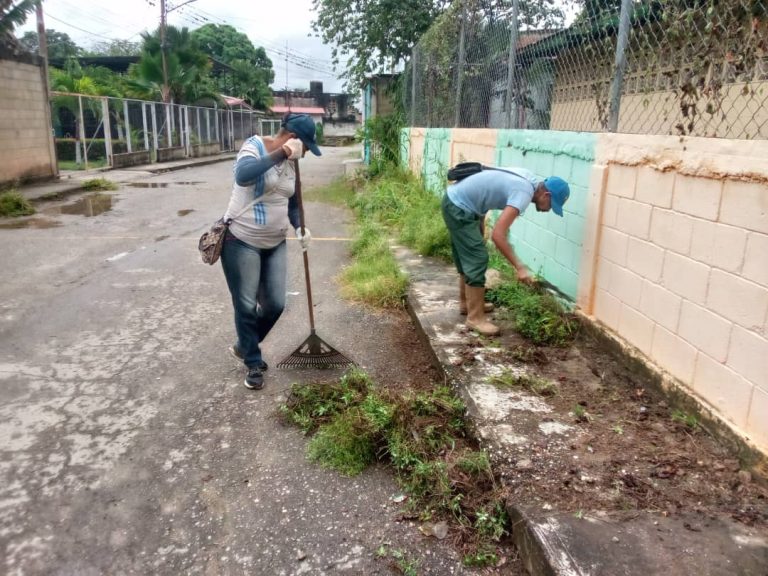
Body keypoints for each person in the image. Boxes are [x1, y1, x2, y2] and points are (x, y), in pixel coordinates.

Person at [220, 113, 322, 390]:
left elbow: (292, 202)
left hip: (275, 242)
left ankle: (245, 345)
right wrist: (281, 153)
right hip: (241, 240)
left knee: (276, 303)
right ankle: (253, 362)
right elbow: (243, 176)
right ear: (292, 138)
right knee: (245, 304)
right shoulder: (254, 146)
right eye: (305, 147)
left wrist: (299, 227)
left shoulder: (293, 165)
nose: (305, 154)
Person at [441, 167, 570, 337]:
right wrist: (520, 267)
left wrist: (480, 222)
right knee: (477, 258)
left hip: (459, 202)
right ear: (546, 195)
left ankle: (468, 304)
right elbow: (498, 236)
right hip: (459, 207)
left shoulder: (528, 178)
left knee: (469, 254)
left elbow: (487, 189)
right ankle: (475, 318)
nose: (547, 210)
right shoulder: (523, 193)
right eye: (551, 206)